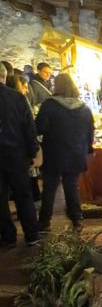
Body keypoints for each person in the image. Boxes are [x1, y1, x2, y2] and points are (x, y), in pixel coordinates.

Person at [36, 73, 94, 232]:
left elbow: (39, 128)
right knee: (72, 186)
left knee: (49, 187)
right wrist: (87, 149)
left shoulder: (49, 105)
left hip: (53, 153)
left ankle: (44, 222)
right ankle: (77, 220)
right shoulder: (84, 108)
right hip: (76, 153)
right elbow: (90, 133)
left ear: (57, 86)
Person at [0, 63, 40, 246]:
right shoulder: (16, 98)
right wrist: (33, 152)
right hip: (16, 154)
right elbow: (29, 127)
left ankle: (8, 235)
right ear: (4, 76)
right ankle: (31, 235)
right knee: (23, 195)